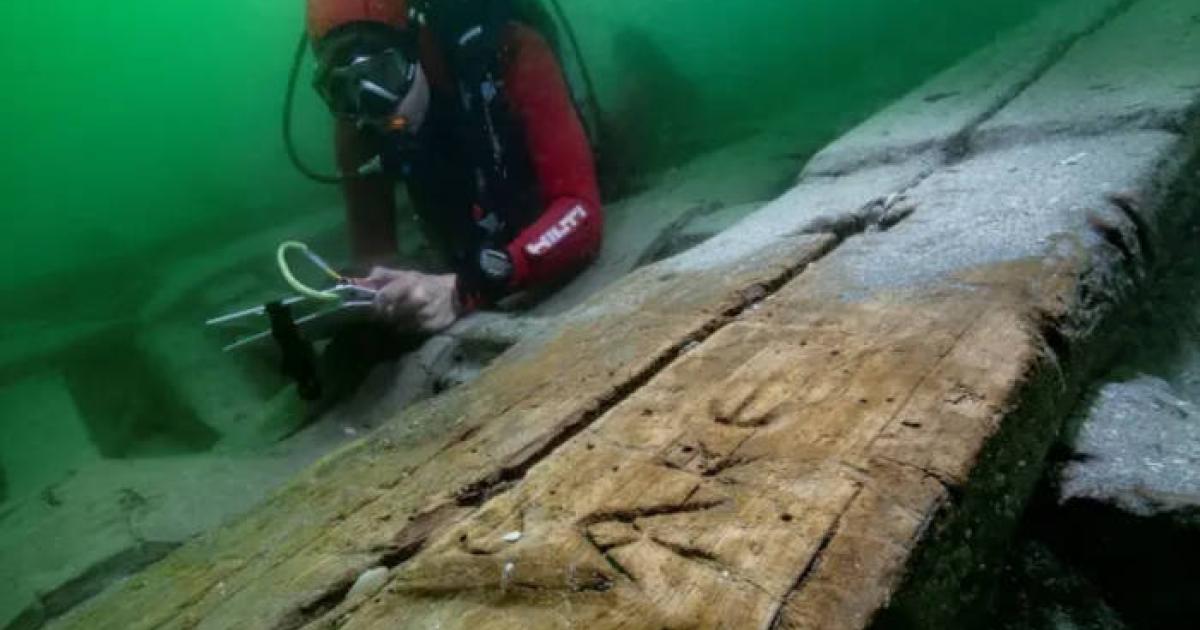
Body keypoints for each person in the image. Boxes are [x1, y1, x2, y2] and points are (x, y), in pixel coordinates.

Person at [306, 0, 604, 334]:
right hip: (470, 223)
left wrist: (468, 286)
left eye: (383, 72)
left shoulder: (509, 47)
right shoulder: (356, 122)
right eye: (341, 87)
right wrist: (381, 292)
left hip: (533, 188)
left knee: (613, 159)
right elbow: (375, 257)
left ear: (415, 42)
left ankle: (639, 73)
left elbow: (580, 210)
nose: (369, 102)